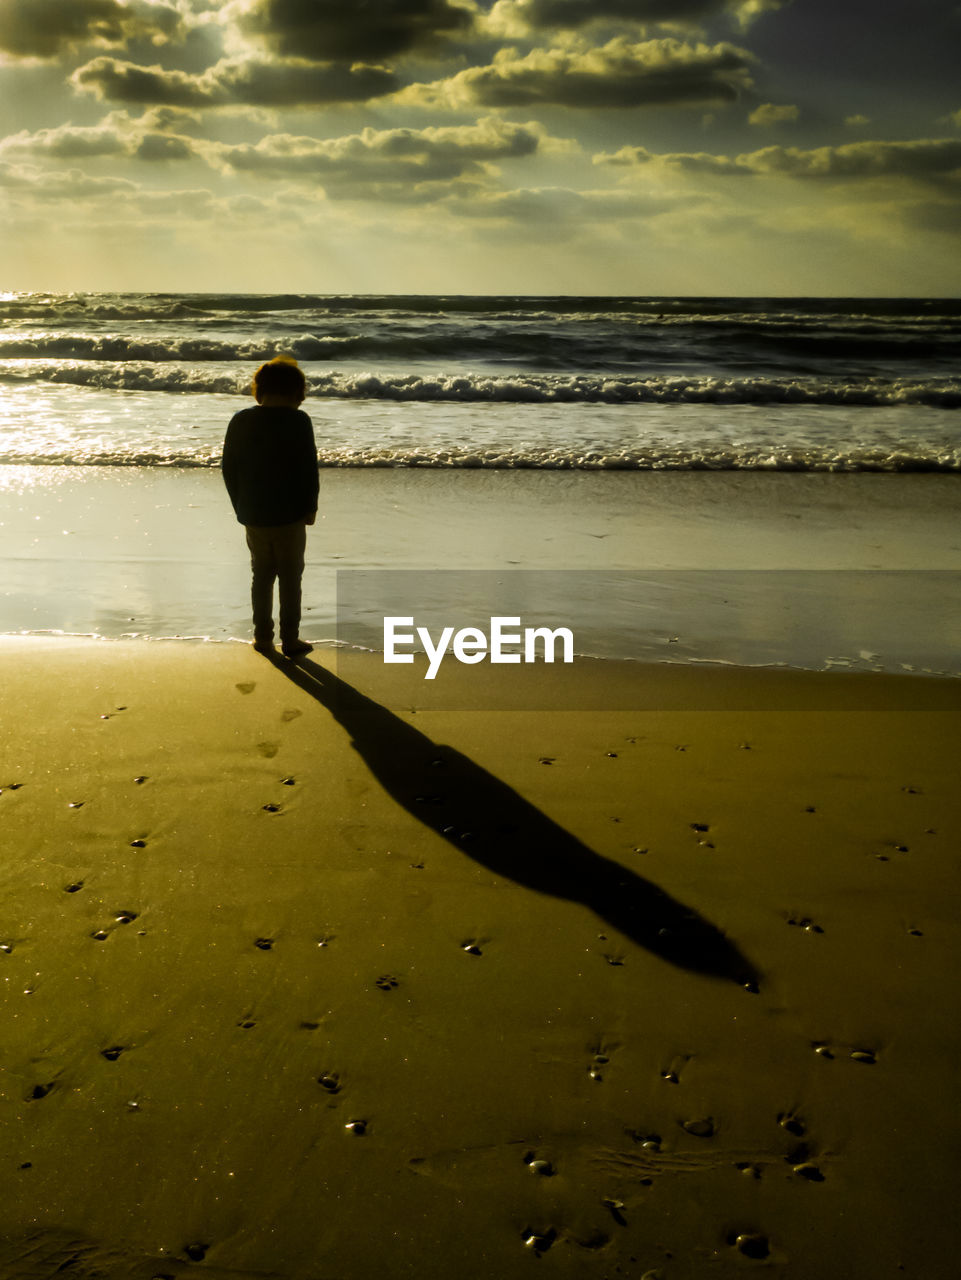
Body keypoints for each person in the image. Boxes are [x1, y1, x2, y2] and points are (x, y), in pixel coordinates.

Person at [222, 356, 319, 657]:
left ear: (260, 389)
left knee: (261, 576)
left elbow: (229, 468)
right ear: (297, 391)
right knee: (291, 578)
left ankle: (263, 637)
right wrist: (310, 506)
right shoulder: (299, 422)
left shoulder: (241, 420)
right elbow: (308, 469)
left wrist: (240, 505)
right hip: (290, 514)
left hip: (254, 513)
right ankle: (290, 639)